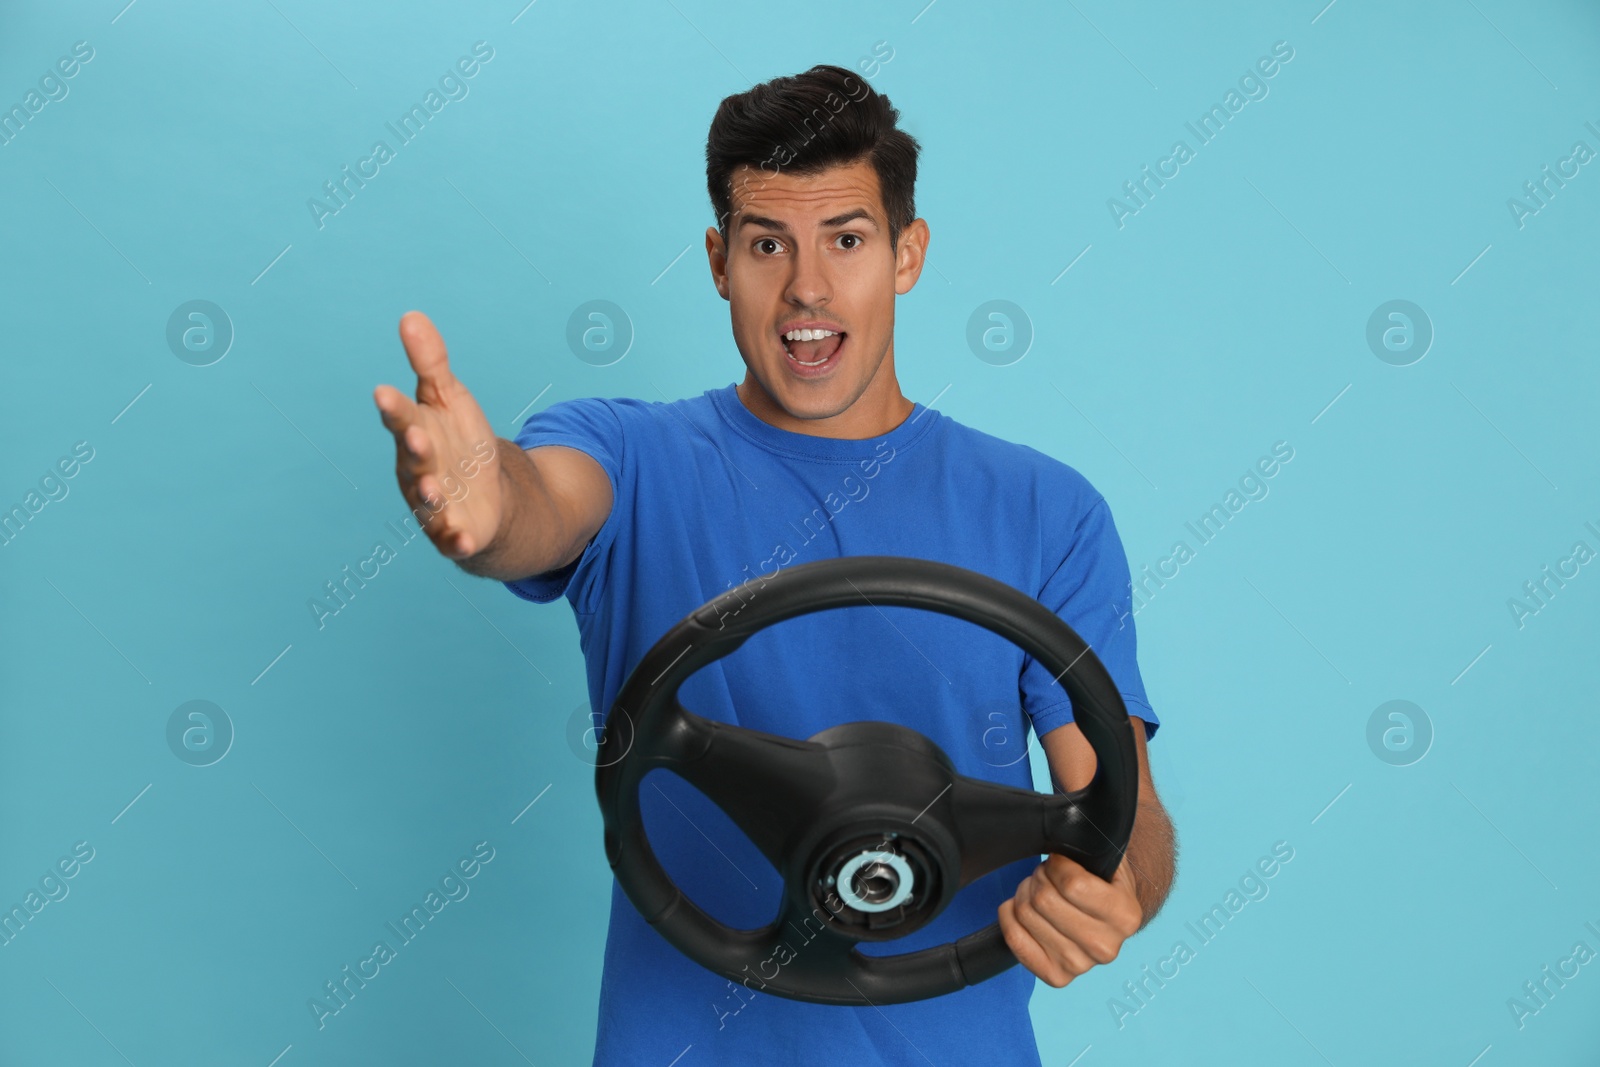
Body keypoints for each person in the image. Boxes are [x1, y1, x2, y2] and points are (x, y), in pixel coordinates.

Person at [374, 63, 1176, 1067]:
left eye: (845, 238)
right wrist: (488, 507)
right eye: (766, 244)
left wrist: (1117, 886)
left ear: (907, 253)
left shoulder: (1045, 510)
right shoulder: (630, 457)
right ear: (718, 261)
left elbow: (1125, 805)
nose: (805, 286)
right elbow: (541, 506)